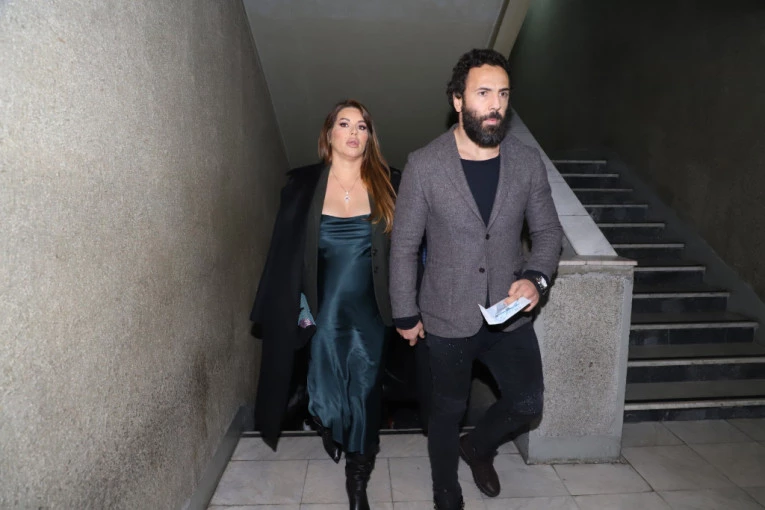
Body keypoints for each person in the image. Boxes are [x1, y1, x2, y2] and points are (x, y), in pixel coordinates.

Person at [389, 49, 563, 510]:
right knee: (447, 410)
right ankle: (445, 489)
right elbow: (404, 246)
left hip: (510, 313)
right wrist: (405, 312)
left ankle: (479, 446)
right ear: (458, 100)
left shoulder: (526, 162)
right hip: (447, 314)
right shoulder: (425, 164)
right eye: (483, 93)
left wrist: (536, 279)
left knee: (528, 402)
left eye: (503, 94)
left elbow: (548, 233)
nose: (495, 105)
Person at [250, 99, 399, 510]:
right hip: (323, 311)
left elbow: (405, 254)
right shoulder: (302, 187)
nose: (353, 132)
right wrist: (285, 308)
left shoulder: (390, 183)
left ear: (370, 137)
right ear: (329, 134)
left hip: (372, 312)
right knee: (326, 391)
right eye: (344, 124)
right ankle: (327, 424)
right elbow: (284, 254)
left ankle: (358, 476)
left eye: (362, 126)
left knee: (365, 391)